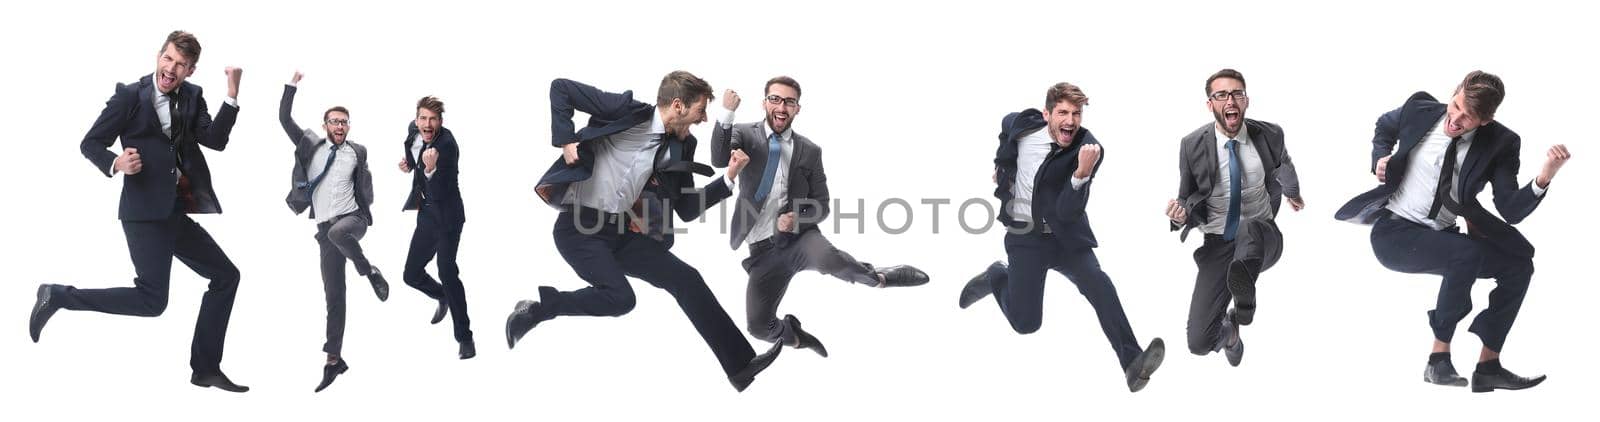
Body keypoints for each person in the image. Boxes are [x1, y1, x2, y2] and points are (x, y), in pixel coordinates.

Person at [29, 30, 249, 392]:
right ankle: (58, 295)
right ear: (158, 56)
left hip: (176, 212)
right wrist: (116, 162)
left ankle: (206, 368)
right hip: (144, 214)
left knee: (227, 276)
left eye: (181, 65)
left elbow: (216, 141)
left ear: (190, 71)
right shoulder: (129, 96)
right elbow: (90, 142)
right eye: (168, 59)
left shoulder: (193, 96)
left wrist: (232, 94)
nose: (171, 69)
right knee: (151, 301)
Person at [1334, 70, 1571, 392]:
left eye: (1468, 117)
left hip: (1444, 237)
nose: (1456, 119)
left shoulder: (1501, 143)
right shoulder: (1419, 109)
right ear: (1455, 92)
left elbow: (1510, 209)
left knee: (1518, 267)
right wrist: (1381, 158)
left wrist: (1544, 177)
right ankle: (1438, 360)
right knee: (1467, 252)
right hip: (1395, 234)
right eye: (1456, 105)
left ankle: (1488, 366)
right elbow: (1384, 126)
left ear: (1486, 120)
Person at [959, 82, 1165, 392]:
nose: (1070, 121)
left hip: (1066, 238)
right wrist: (1003, 167)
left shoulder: (1089, 150)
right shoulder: (1023, 124)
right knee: (1026, 324)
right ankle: (996, 275)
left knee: (1099, 284)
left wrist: (1081, 175)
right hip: (1025, 238)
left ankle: (1132, 363)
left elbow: (1068, 211)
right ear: (1046, 114)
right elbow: (1006, 127)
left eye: (1077, 114)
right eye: (1063, 113)